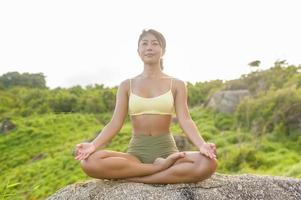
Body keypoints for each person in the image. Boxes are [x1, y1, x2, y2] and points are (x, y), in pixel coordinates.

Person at [74, 29, 217, 184]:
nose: (149, 47)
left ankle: (137, 177)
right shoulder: (126, 85)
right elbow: (115, 123)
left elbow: (186, 120)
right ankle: (158, 170)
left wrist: (202, 145)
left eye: (155, 43)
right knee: (89, 162)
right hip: (136, 155)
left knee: (208, 163)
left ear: (163, 51)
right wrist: (93, 145)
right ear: (138, 51)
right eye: (144, 43)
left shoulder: (177, 84)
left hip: (167, 151)